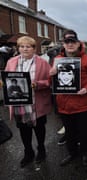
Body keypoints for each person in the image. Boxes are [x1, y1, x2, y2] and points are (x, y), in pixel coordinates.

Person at [49, 30, 87, 167]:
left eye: (73, 42)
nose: (70, 45)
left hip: (82, 103)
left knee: (84, 132)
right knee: (69, 132)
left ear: (78, 43)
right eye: (67, 42)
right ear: (63, 44)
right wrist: (51, 74)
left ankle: (85, 154)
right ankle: (72, 153)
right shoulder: (57, 59)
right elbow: (50, 82)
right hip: (64, 104)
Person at [4, 36, 52, 167]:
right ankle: (28, 152)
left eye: (28, 46)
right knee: (24, 130)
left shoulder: (42, 63)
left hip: (37, 102)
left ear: (34, 49)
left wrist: (37, 84)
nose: (24, 49)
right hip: (19, 102)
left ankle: (41, 150)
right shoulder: (11, 62)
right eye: (21, 46)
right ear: (18, 48)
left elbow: (50, 81)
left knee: (39, 128)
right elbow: (7, 80)